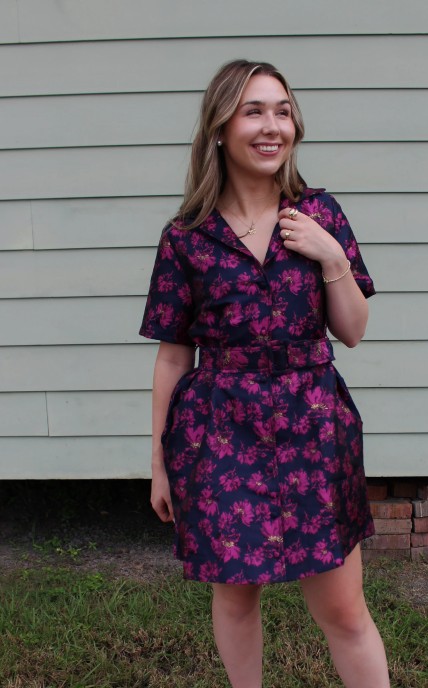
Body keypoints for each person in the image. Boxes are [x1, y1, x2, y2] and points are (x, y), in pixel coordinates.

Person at [140, 59, 390, 688]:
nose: (272, 125)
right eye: (254, 110)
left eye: (282, 110)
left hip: (313, 429)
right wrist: (159, 463)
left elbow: (353, 332)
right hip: (219, 435)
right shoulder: (186, 238)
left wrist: (331, 256)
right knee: (235, 599)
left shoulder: (320, 215)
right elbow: (173, 355)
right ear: (220, 127)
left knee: (343, 608)